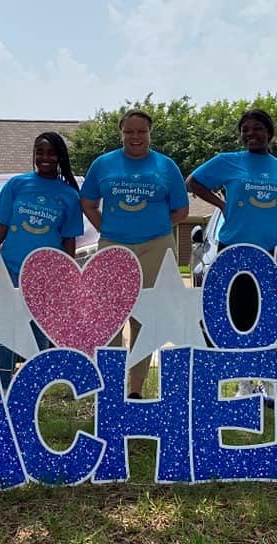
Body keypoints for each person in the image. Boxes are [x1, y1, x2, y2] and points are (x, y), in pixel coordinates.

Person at [186, 108, 277, 399]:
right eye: (245, 130)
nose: (250, 134)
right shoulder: (228, 162)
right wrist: (220, 204)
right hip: (235, 250)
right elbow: (193, 181)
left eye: (257, 129)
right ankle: (244, 382)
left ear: (269, 133)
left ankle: (268, 383)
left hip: (272, 250)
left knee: (271, 318)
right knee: (239, 318)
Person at [80, 109, 190, 399]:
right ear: (121, 134)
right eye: (129, 132)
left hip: (156, 245)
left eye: (141, 131)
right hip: (114, 246)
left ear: (150, 134)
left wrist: (155, 228)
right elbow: (88, 202)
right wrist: (110, 228)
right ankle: (111, 386)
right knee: (112, 315)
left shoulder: (166, 166)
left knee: (145, 315)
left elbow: (181, 209)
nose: (135, 137)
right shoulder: (104, 164)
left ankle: (136, 388)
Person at [0, 132, 84, 388]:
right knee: (7, 326)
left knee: (39, 330)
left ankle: (36, 384)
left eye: (50, 153)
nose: (44, 158)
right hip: (11, 268)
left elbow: (69, 240)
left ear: (59, 157)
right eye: (40, 152)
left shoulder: (68, 195)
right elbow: (2, 225)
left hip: (46, 273)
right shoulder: (17, 184)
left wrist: (66, 274)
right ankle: (3, 383)